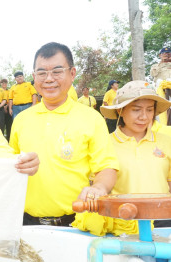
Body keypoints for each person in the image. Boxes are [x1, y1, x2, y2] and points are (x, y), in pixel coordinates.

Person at [9, 42, 119, 226]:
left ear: (72, 73)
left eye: (57, 71)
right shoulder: (21, 119)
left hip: (77, 222)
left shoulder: (91, 118)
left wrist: (99, 187)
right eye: (42, 73)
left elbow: (107, 167)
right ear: (34, 76)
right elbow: (10, 166)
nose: (49, 79)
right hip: (26, 223)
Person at [73, 81, 171, 235]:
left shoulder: (167, 141)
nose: (143, 116)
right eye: (136, 110)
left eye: (149, 110)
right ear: (120, 111)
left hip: (163, 221)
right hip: (124, 222)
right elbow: (99, 184)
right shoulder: (105, 143)